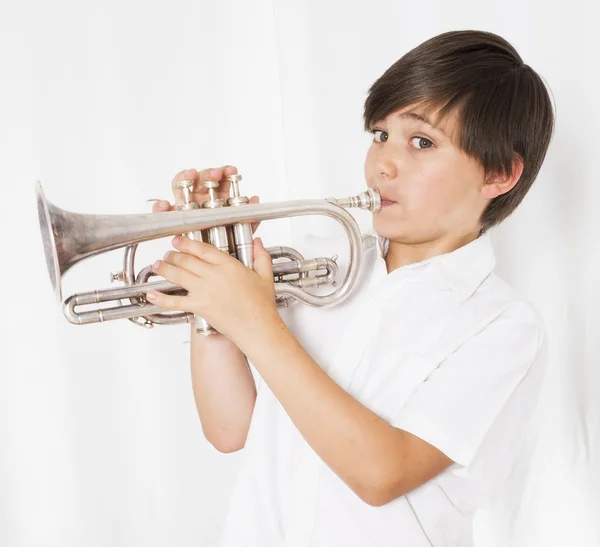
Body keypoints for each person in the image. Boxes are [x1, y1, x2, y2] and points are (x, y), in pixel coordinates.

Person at [148, 29, 554, 547]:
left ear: (499, 173)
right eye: (380, 134)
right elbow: (230, 430)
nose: (383, 164)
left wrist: (255, 321)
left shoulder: (502, 326)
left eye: (422, 142)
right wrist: (212, 291)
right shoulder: (324, 257)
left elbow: (382, 474)